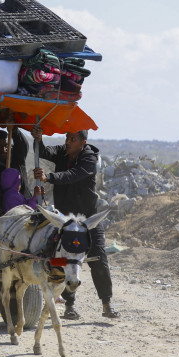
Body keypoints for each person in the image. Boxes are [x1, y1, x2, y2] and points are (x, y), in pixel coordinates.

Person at [31, 126, 119, 319]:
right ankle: (69, 305)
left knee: (98, 258)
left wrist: (49, 177)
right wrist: (38, 139)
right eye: (67, 138)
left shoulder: (89, 158)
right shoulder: (63, 152)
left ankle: (107, 304)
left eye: (72, 139)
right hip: (66, 219)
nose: (67, 142)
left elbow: (73, 175)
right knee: (64, 259)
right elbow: (44, 151)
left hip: (88, 219)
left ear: (83, 143)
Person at [0, 126, 31, 198]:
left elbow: (22, 144)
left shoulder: (17, 156)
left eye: (6, 145)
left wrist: (14, 130)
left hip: (24, 200)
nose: (3, 149)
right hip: (2, 204)